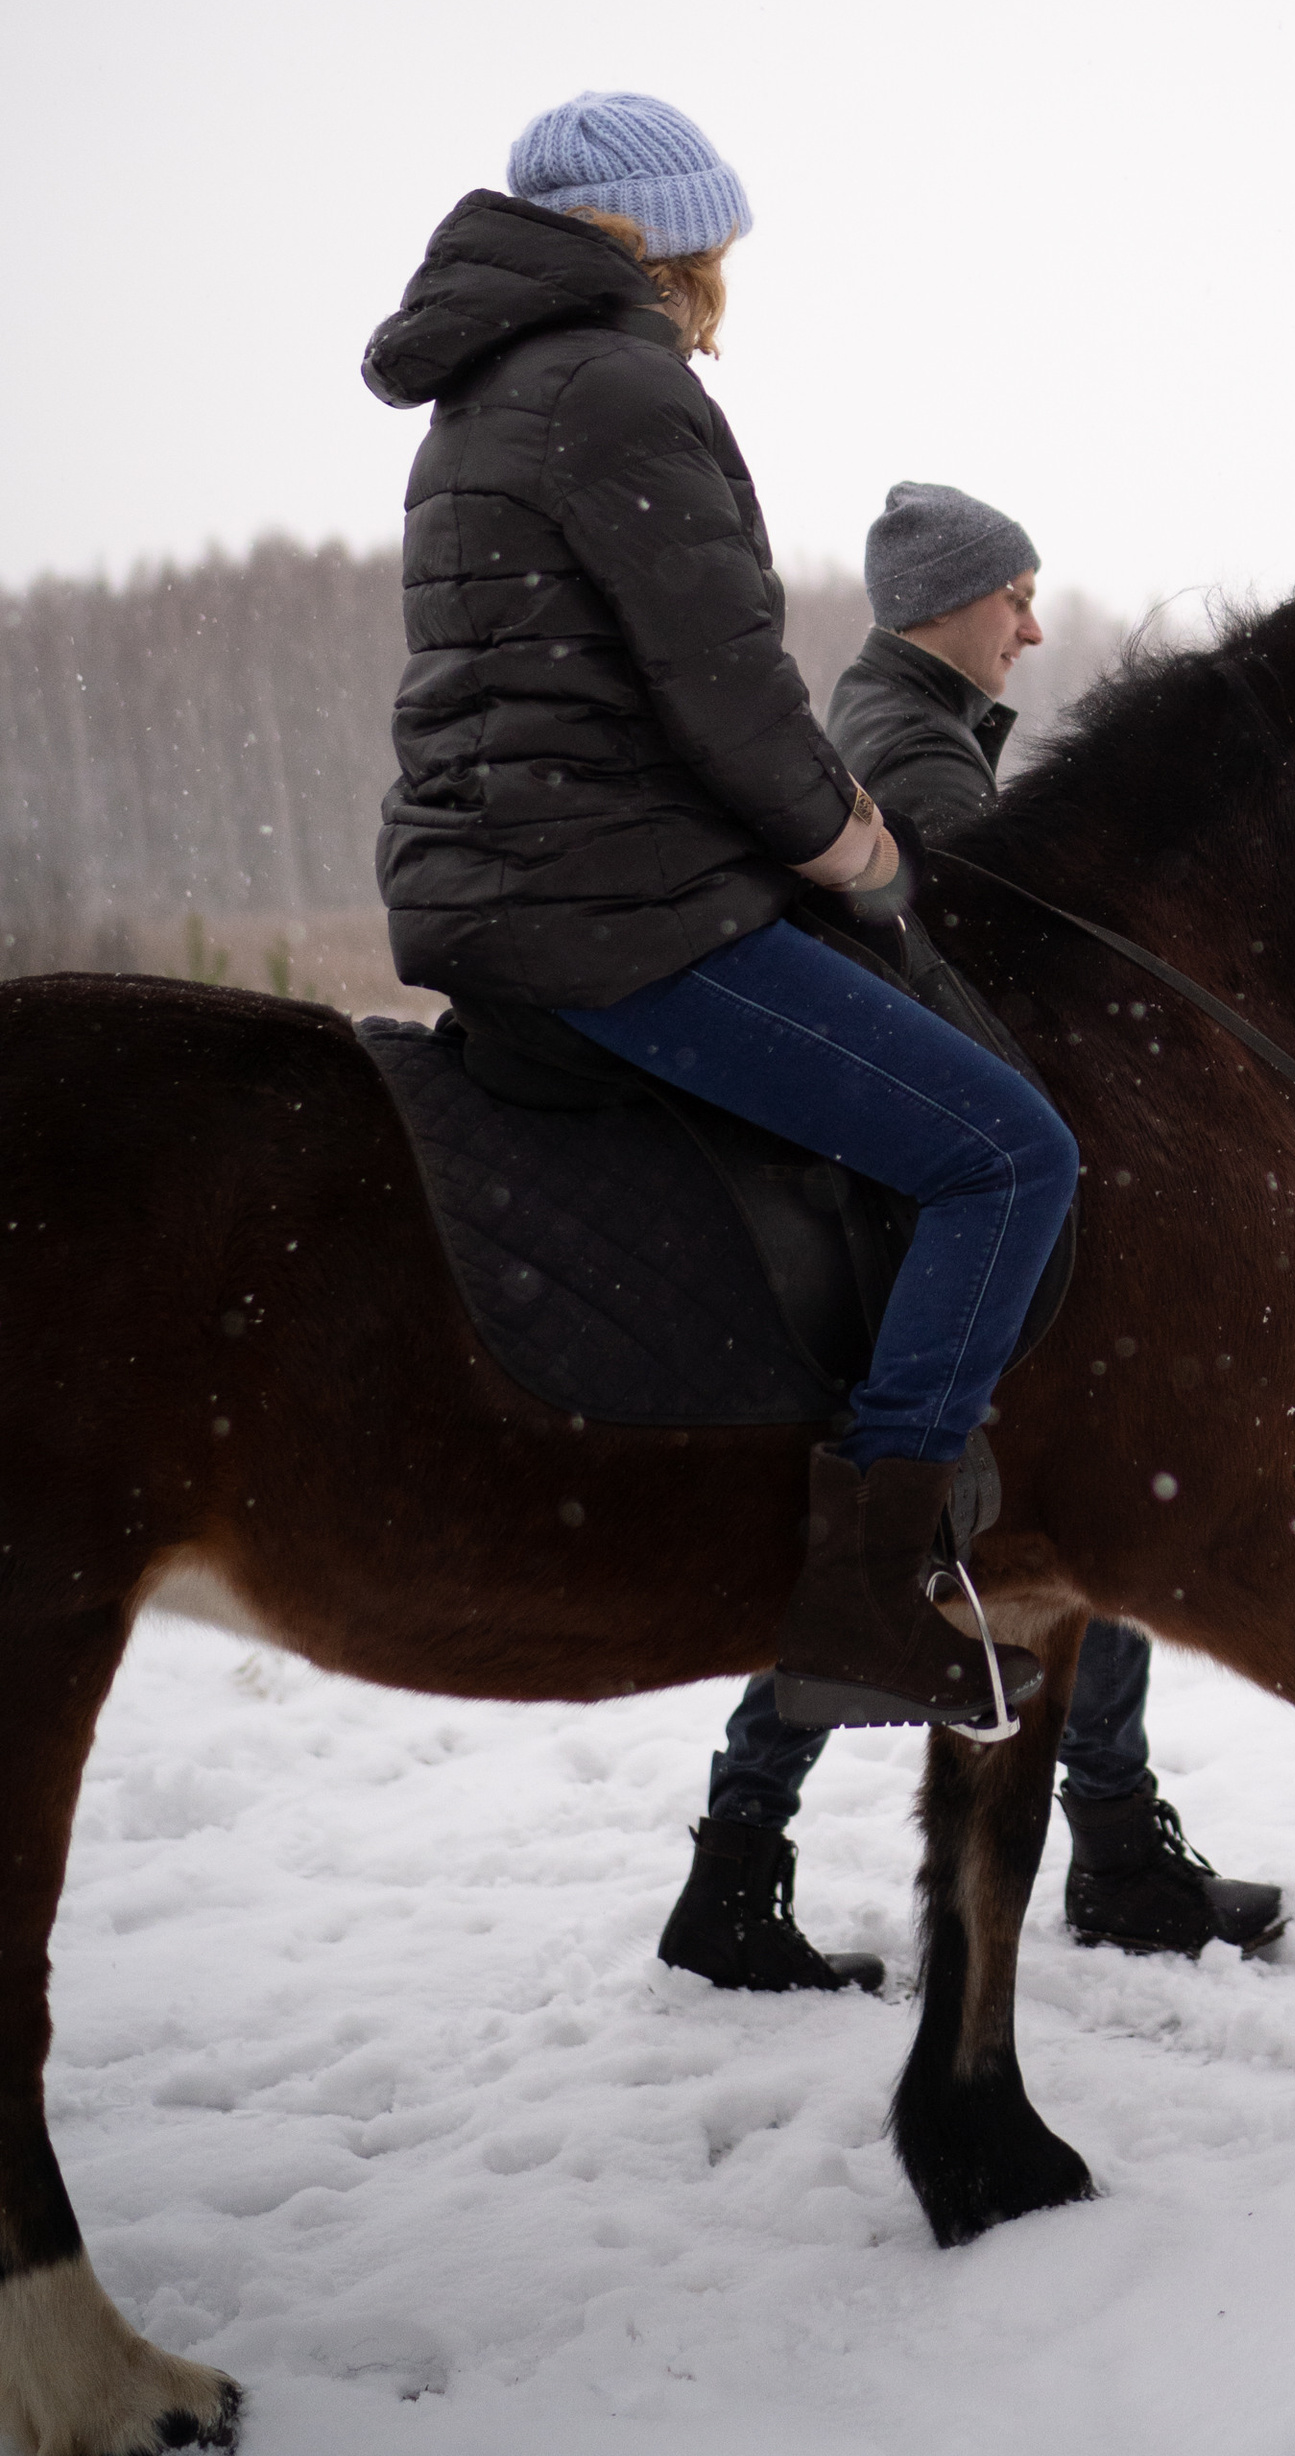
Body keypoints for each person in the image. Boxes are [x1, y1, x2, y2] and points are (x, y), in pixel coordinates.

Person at [364, 95, 1082, 1799]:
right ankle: (874, 1581)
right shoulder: (618, 384)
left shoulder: (487, 394)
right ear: (661, 240)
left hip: (509, 886)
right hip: (615, 906)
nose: (722, 287)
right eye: (719, 251)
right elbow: (724, 684)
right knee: (1009, 1150)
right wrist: (857, 845)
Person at [652, 479, 1287, 1994]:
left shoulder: (924, 735)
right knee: (1014, 1518)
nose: (1035, 623)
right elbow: (982, 985)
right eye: (1017, 594)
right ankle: (1092, 1851)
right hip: (918, 1198)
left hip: (909, 1186)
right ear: (951, 600)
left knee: (984, 1526)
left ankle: (766, 1863)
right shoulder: (914, 757)